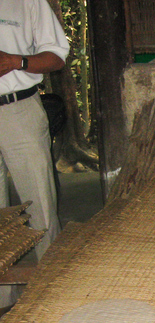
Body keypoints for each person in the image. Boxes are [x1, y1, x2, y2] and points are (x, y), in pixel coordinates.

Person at [0, 0, 69, 264]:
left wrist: (15, 61)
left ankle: (49, 288)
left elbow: (56, 57)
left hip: (18, 110)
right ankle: (3, 301)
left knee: (40, 207)